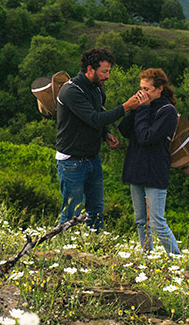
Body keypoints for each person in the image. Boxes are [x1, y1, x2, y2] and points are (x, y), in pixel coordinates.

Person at [55, 47, 142, 231]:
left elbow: (99, 113)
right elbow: (93, 118)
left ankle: (94, 249)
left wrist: (106, 133)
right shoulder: (71, 91)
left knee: (96, 211)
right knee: (72, 213)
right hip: (71, 162)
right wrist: (125, 107)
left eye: (108, 71)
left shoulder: (97, 89)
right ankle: (61, 250)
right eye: (104, 71)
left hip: (92, 158)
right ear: (89, 69)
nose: (107, 76)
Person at [119, 68, 181, 254]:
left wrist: (143, 109)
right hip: (136, 168)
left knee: (157, 222)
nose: (142, 93)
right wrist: (133, 109)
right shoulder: (143, 108)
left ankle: (177, 260)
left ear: (159, 89)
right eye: (141, 88)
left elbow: (146, 137)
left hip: (154, 171)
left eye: (146, 89)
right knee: (140, 221)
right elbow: (124, 130)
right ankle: (146, 257)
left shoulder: (167, 111)